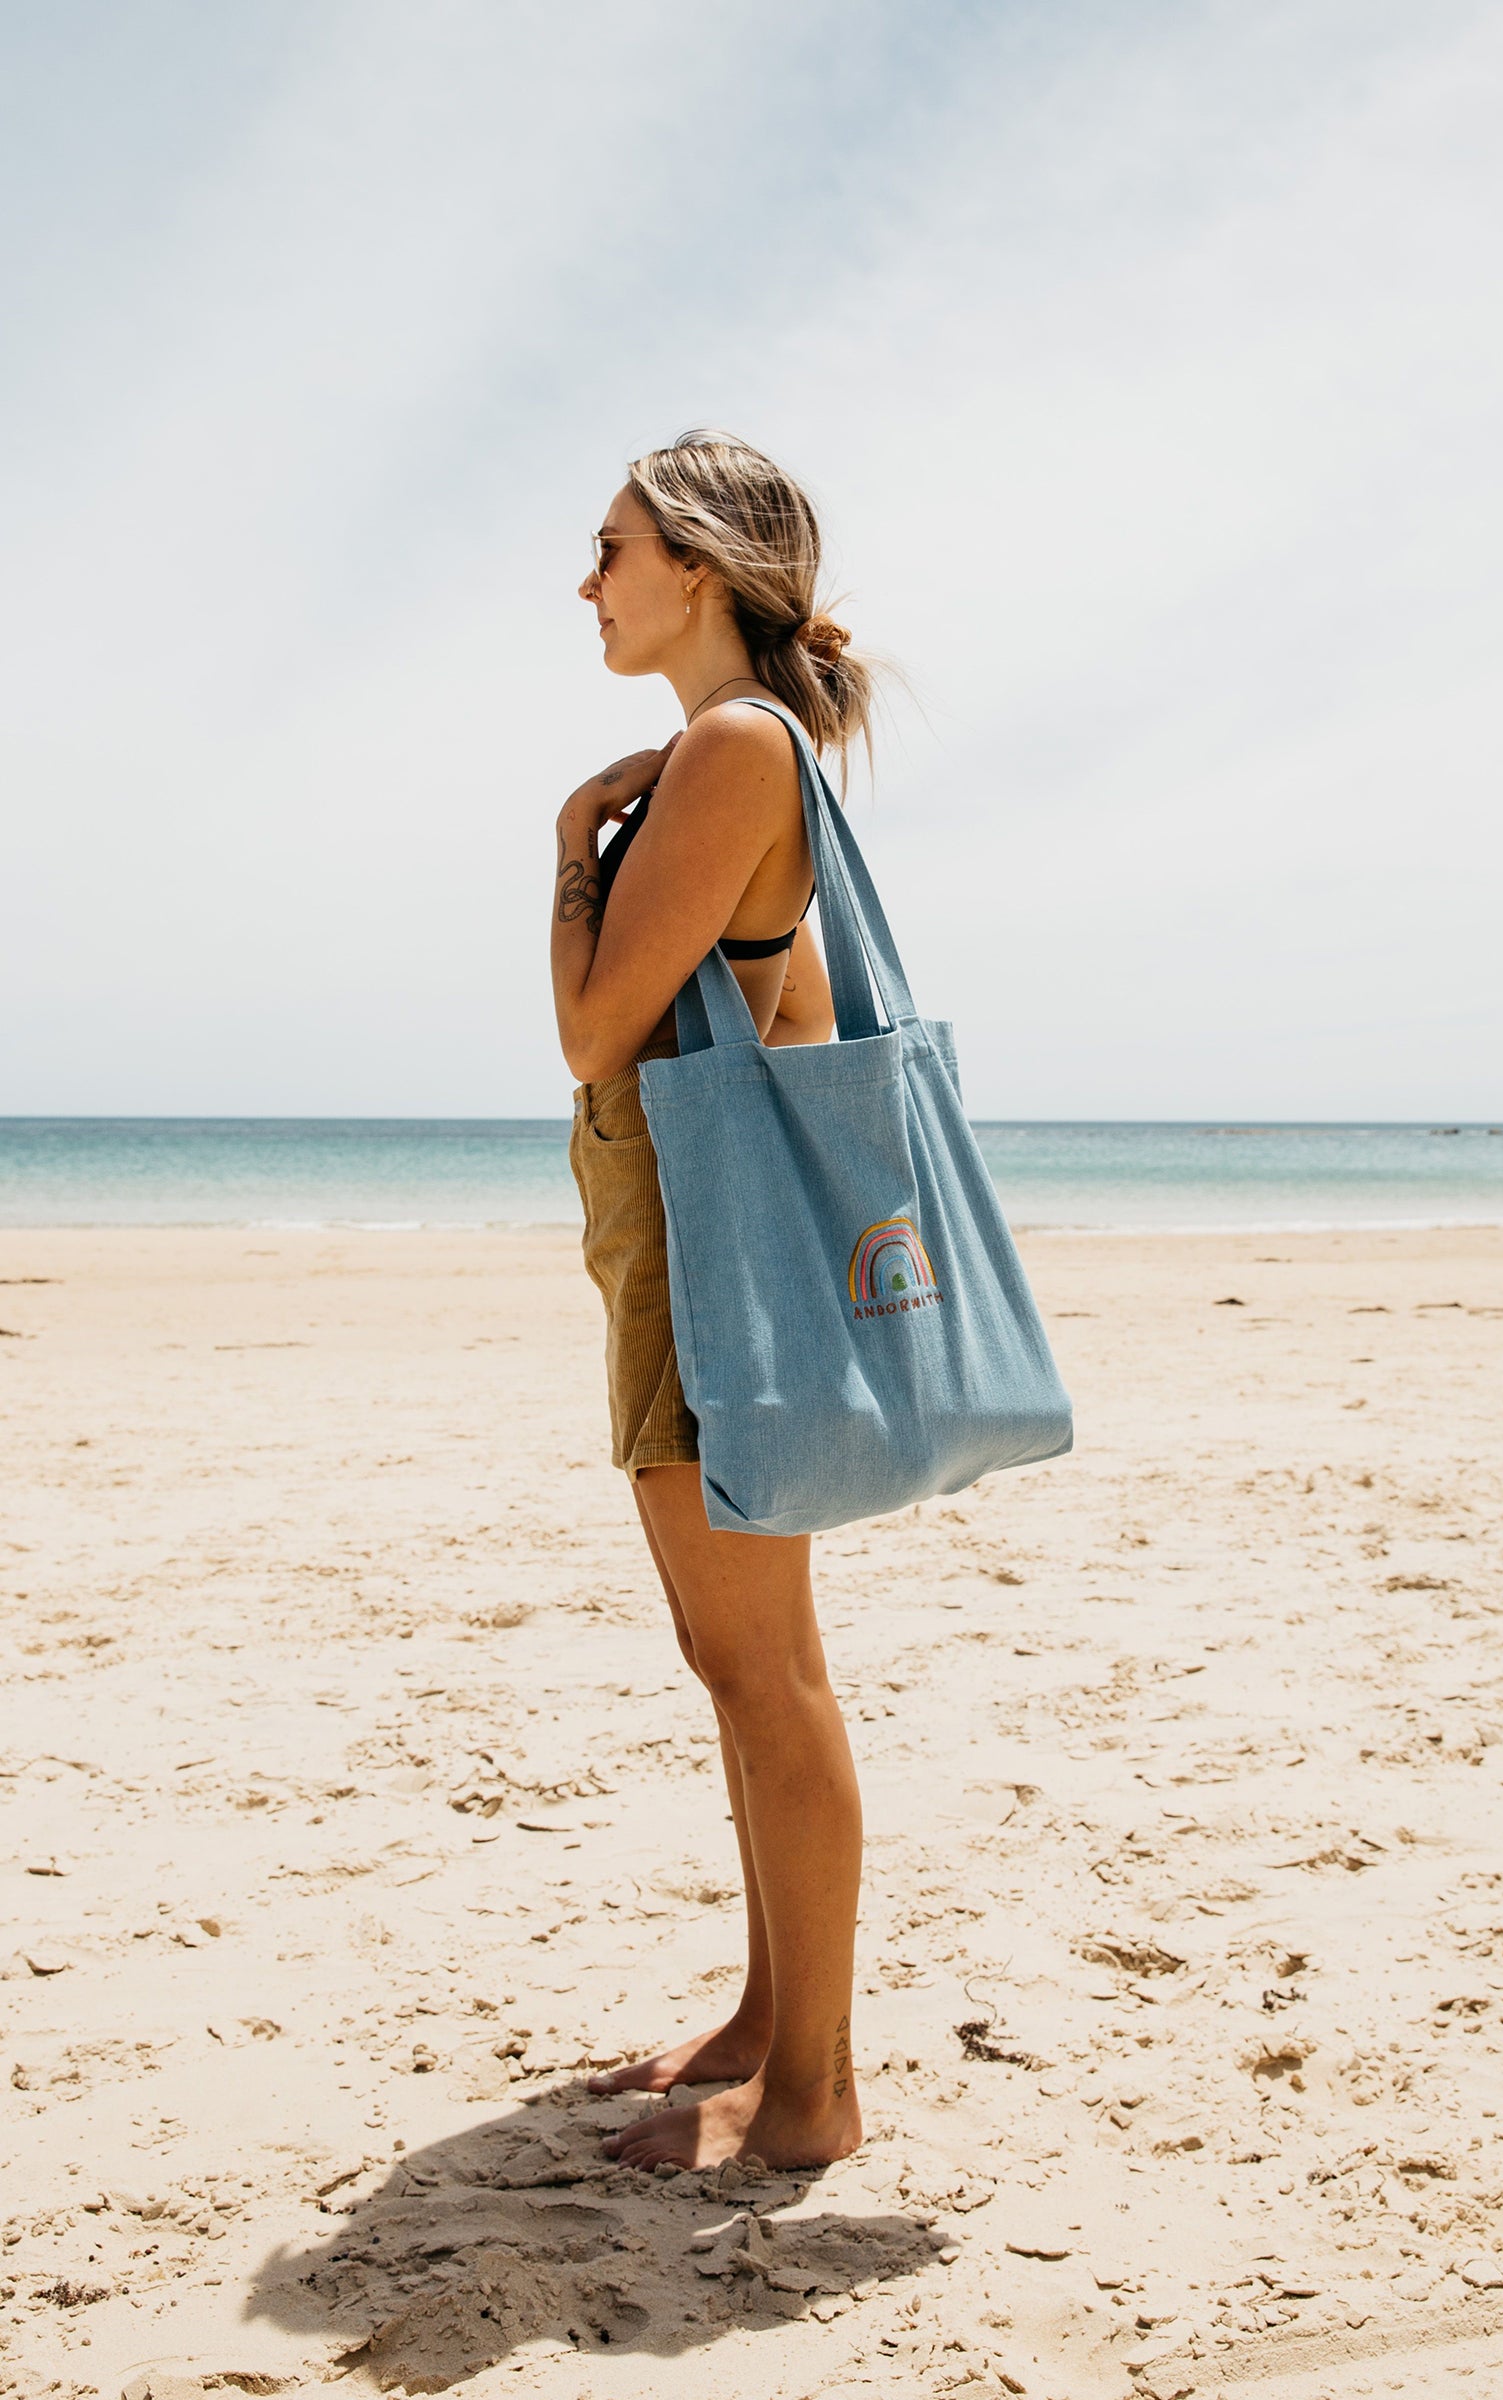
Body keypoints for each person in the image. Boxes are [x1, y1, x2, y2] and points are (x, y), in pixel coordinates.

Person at [552, 431, 875, 2172]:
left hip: (711, 1262)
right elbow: (792, 1016)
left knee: (764, 1673)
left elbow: (601, 1027)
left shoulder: (735, 750)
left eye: (606, 548)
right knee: (738, 1658)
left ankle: (813, 2090)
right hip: (689, 1249)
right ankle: (769, 2019)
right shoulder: (728, 754)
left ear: (697, 566)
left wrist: (563, 851)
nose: (584, 581)